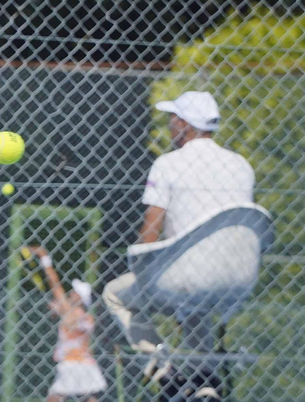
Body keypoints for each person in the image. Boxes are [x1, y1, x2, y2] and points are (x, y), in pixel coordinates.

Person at [101, 90, 254, 353]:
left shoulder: (168, 164)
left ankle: (159, 363)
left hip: (186, 276)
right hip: (239, 279)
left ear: (183, 124)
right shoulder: (242, 165)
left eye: (173, 117)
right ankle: (205, 380)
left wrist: (142, 270)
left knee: (115, 294)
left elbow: (151, 230)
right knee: (195, 310)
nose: (170, 124)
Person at [28, 247, 106, 402]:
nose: (69, 294)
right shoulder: (89, 317)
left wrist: (45, 258)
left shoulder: (69, 310)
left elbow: (53, 282)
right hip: (88, 367)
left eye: (73, 292)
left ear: (78, 298)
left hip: (71, 368)